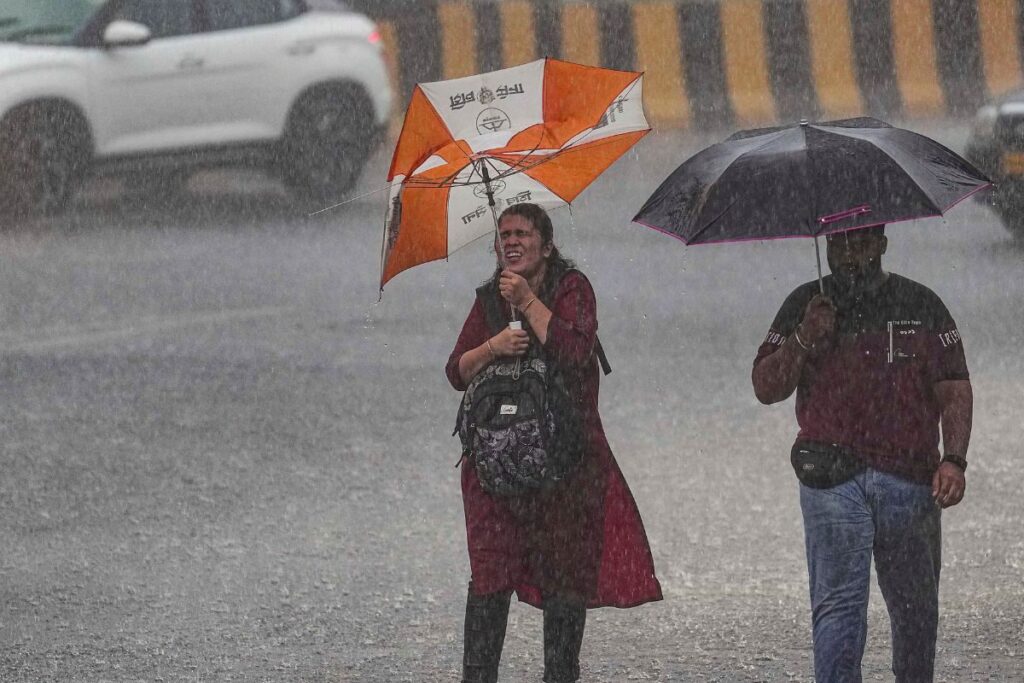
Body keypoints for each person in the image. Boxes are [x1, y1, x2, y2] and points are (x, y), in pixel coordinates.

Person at [446, 203, 662, 683]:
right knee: (490, 575)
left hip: (564, 466)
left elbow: (574, 350)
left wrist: (527, 301)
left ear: (547, 246)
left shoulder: (572, 289)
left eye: (522, 234)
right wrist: (493, 347)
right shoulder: (489, 299)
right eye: (503, 235)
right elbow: (456, 372)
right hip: (496, 469)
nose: (511, 242)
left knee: (564, 579)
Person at [751, 225, 973, 682]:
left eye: (860, 242)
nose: (848, 254)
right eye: (837, 243)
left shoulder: (921, 304)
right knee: (837, 609)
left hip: (910, 480)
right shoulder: (805, 304)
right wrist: (804, 337)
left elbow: (954, 388)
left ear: (883, 243)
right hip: (830, 480)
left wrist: (954, 459)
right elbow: (765, 387)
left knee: (915, 611)